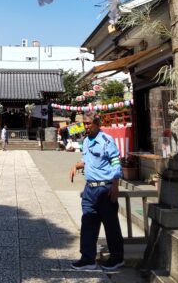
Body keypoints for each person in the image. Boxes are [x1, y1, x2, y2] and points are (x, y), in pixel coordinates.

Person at [68, 114, 124, 272]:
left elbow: (115, 161)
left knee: (110, 224)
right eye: (84, 123)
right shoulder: (85, 141)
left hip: (105, 188)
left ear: (98, 123)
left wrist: (115, 184)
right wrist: (76, 166)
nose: (86, 126)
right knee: (87, 224)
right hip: (89, 189)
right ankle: (87, 259)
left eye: (89, 123)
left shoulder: (106, 140)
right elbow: (86, 160)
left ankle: (116, 258)